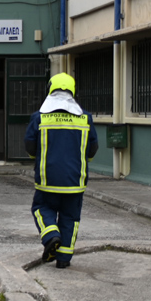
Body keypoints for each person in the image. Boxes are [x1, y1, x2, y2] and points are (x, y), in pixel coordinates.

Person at [24, 72, 98, 269]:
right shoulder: (85, 118)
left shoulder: (39, 117)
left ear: (50, 89)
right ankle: (64, 259)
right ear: (73, 92)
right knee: (70, 218)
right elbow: (92, 149)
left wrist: (38, 158)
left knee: (40, 208)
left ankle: (51, 235)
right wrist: (82, 160)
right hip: (75, 181)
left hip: (47, 179)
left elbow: (30, 146)